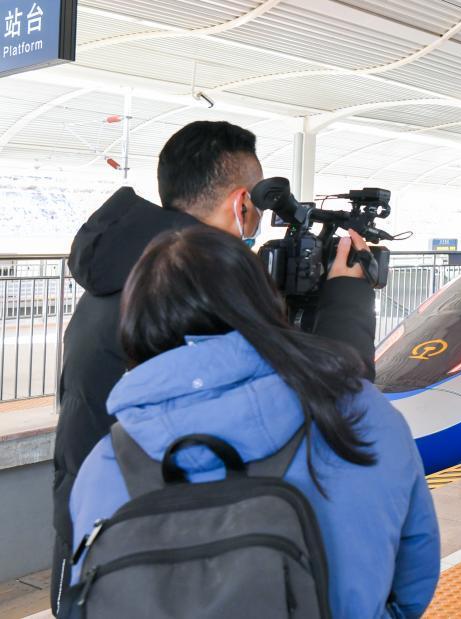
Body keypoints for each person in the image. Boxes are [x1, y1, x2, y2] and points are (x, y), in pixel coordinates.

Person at [51, 121, 378, 613]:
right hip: (178, 561)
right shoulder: (201, 293)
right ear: (242, 203)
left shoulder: (124, 271)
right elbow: (334, 403)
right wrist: (346, 299)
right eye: (259, 211)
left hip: (95, 547)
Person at [68, 226, 440, 617]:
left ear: (134, 325)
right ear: (263, 302)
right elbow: (413, 578)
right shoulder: (360, 413)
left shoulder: (105, 464)